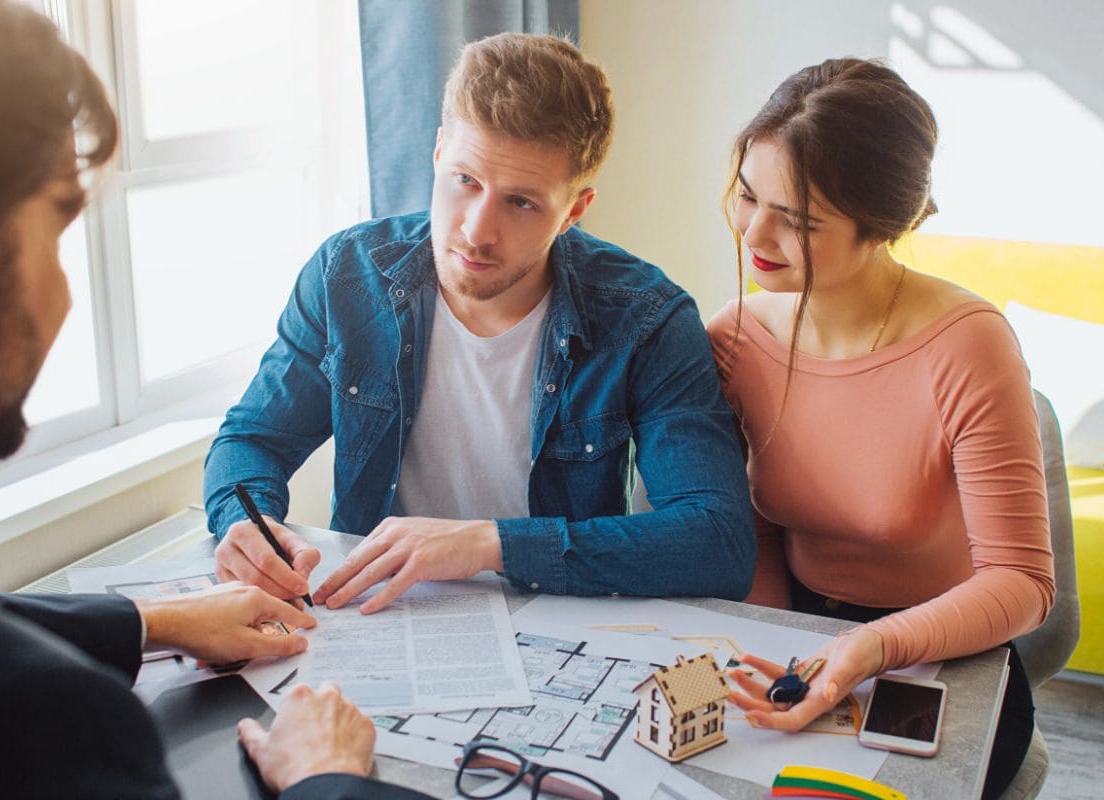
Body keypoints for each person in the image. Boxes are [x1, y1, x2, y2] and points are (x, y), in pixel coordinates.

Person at [0, 2, 430, 797]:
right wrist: (323, 780)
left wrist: (155, 620)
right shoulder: (42, 722)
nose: (67, 295)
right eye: (58, 232)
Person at [205, 33, 754, 614]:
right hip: (378, 615)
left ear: (574, 209)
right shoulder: (347, 275)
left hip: (561, 619)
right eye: (465, 180)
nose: (475, 231)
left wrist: (488, 544)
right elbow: (252, 439)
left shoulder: (645, 316)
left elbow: (717, 542)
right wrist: (247, 522)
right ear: (439, 151)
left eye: (521, 203)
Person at [706, 59, 1055, 799]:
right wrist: (780, 646)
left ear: (882, 226)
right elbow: (758, 526)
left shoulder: (967, 344)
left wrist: (873, 646)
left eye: (798, 221)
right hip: (800, 634)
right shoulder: (735, 339)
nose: (755, 233)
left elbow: (1022, 583)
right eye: (746, 195)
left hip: (946, 651)